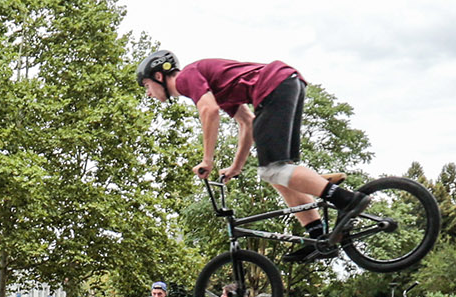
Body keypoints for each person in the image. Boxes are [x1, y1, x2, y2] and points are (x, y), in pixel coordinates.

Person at [138, 50, 360, 261]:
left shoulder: (186, 77)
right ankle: (318, 238)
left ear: (159, 76)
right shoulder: (215, 89)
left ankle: (345, 199)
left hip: (275, 86)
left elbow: (209, 111)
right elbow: (247, 122)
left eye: (147, 85)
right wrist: (236, 167)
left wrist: (208, 160)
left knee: (274, 171)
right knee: (280, 176)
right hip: (287, 83)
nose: (148, 93)